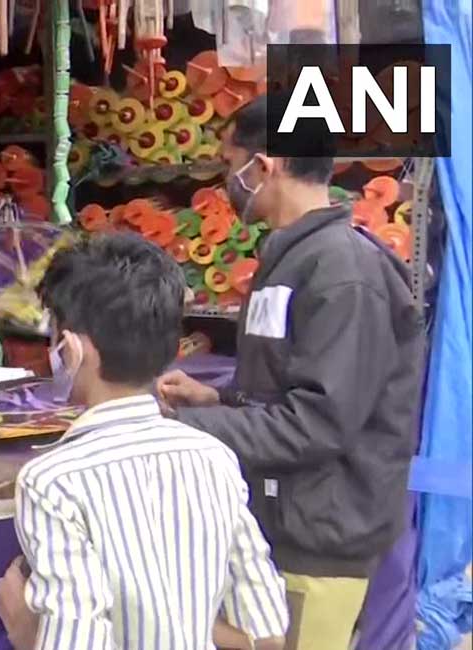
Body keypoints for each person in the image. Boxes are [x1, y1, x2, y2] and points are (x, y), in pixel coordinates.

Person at [156, 96, 425, 649]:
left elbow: (318, 424)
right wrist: (216, 399)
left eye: (230, 164)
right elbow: (288, 385)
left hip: (321, 538)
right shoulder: (293, 258)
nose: (226, 180)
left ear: (265, 164)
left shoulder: (343, 273)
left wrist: (182, 428)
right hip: (283, 521)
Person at [0, 234, 289, 650]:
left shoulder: (50, 482)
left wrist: (27, 633)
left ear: (71, 349)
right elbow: (267, 636)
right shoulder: (215, 458)